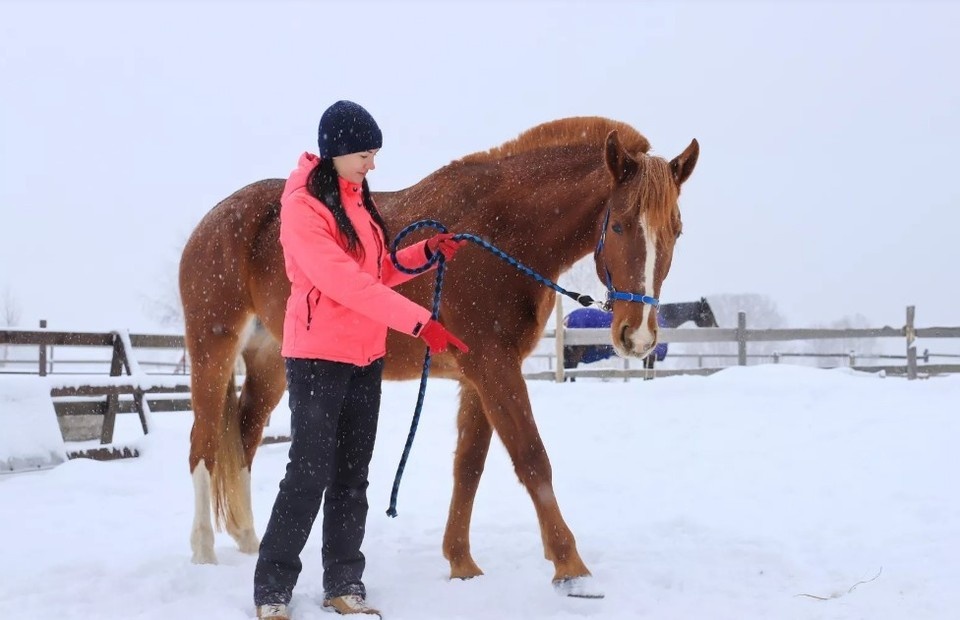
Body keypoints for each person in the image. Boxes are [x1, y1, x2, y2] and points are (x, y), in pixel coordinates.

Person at [253, 100, 469, 620]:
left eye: (374, 154)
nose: (372, 164)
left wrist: (424, 254)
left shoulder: (357, 200)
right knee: (308, 475)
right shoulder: (303, 208)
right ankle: (273, 588)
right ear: (336, 152)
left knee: (352, 477)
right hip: (317, 358)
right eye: (365, 155)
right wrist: (420, 323)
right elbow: (344, 283)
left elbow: (376, 272)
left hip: (365, 358)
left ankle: (344, 583)